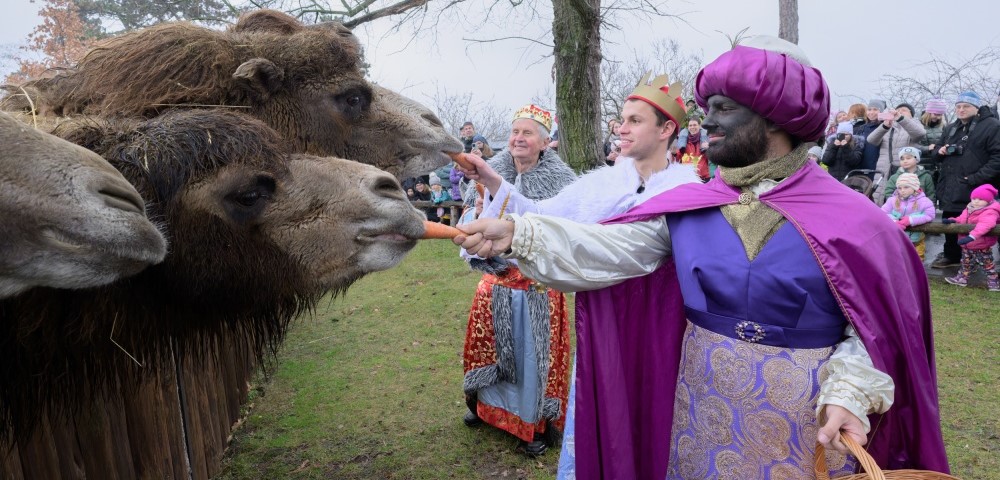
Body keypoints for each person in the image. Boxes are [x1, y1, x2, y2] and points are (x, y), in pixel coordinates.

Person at [455, 37, 949, 478]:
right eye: (705, 107)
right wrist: (518, 233)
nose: (705, 120)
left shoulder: (855, 222)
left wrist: (850, 394)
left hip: (805, 418)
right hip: (701, 408)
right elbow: (614, 249)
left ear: (774, 115)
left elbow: (877, 332)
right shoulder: (692, 206)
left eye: (722, 108)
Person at [455, 72, 700, 473]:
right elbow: (542, 213)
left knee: (647, 420)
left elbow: (619, 251)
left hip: (654, 332)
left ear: (667, 129)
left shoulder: (682, 194)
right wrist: (492, 180)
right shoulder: (599, 187)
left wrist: (520, 236)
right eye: (621, 119)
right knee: (602, 415)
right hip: (602, 325)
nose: (621, 128)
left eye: (635, 120)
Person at [458, 104, 577, 457]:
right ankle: (484, 408)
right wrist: (475, 215)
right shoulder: (489, 172)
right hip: (494, 284)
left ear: (545, 142)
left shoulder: (563, 182)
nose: (518, 138)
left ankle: (531, 425)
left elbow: (562, 232)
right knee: (487, 351)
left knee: (530, 361)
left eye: (527, 133)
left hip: (535, 289)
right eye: (514, 132)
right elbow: (469, 213)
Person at [929, 91, 1000, 269]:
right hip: (951, 184)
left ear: (976, 108)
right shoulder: (952, 127)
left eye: (966, 106)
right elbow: (935, 152)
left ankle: (976, 259)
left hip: (978, 188)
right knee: (950, 219)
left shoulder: (992, 126)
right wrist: (940, 151)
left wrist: (977, 177)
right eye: (958, 106)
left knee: (977, 223)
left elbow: (998, 157)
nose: (961, 110)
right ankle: (951, 256)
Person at [941, 184, 999, 291]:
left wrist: (972, 236)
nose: (976, 201)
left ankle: (993, 281)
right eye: (974, 198)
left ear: (989, 200)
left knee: (987, 264)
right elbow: (963, 219)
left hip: (981, 244)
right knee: (965, 263)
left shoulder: (990, 211)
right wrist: (953, 220)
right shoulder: (970, 208)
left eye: (980, 199)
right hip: (967, 244)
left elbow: (986, 225)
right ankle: (962, 278)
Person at [866, 102, 926, 204]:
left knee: (903, 200)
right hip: (885, 168)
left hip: (904, 169)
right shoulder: (888, 126)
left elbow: (920, 134)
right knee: (881, 198)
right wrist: (884, 127)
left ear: (911, 114)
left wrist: (900, 118)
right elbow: (871, 140)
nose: (900, 112)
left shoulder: (915, 124)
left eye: (904, 110)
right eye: (898, 110)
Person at [882, 172, 936, 260]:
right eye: (899, 188)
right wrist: (894, 221)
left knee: (916, 261)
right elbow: (882, 213)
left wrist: (911, 220)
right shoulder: (892, 200)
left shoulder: (924, 201)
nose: (902, 190)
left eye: (906, 187)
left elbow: (930, 215)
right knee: (897, 260)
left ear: (915, 187)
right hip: (896, 239)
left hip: (916, 240)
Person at [919, 98, 949, 168]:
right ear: (928, 113)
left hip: (938, 163)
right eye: (935, 114)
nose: (938, 117)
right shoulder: (917, 125)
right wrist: (927, 148)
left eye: (940, 115)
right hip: (922, 164)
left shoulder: (943, 126)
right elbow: (911, 145)